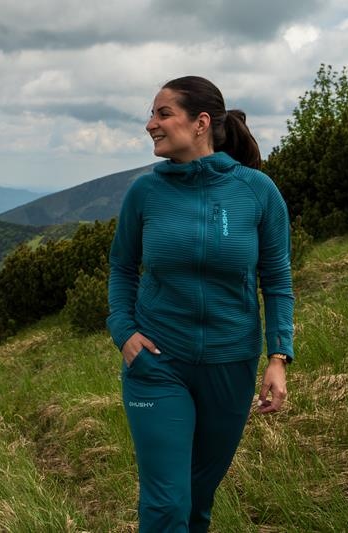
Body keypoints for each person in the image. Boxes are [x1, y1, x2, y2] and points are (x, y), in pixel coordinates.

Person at [106, 75, 294, 532]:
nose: (150, 124)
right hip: (156, 363)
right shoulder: (144, 192)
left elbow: (277, 279)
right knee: (166, 503)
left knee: (196, 500)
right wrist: (124, 333)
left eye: (163, 113)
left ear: (201, 123)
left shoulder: (257, 191)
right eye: (152, 114)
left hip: (230, 364)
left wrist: (278, 357)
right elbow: (121, 268)